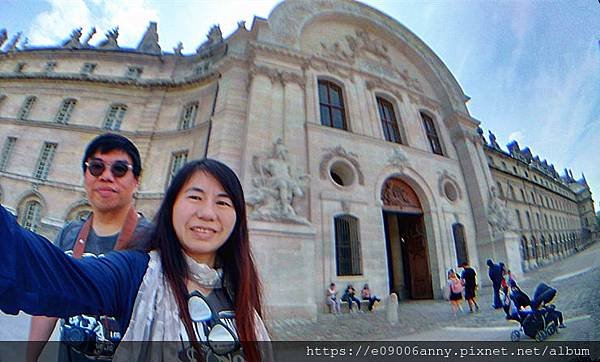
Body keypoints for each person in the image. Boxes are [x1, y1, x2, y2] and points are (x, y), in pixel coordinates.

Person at [0, 159, 270, 361]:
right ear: (171, 208)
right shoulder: (135, 273)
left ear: (237, 220)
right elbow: (51, 274)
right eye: (195, 197)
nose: (207, 213)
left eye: (223, 203)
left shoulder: (240, 289)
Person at [27, 133, 152, 362]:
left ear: (136, 181)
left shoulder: (153, 241)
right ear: (86, 176)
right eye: (96, 167)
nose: (106, 176)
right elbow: (49, 302)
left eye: (120, 169)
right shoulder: (69, 233)